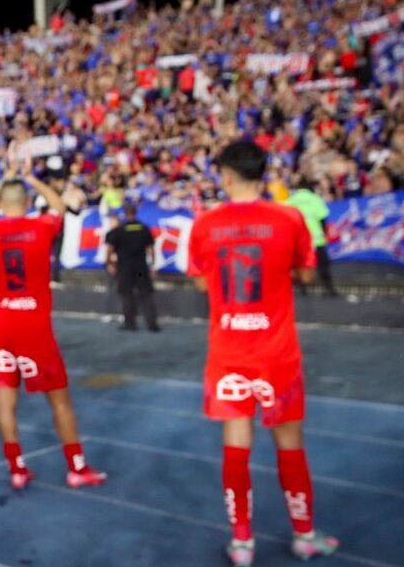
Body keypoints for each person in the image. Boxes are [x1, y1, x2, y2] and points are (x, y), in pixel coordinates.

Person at [187, 141, 339, 567]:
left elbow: (200, 282)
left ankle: (242, 543)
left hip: (229, 351)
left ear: (227, 176)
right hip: (277, 352)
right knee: (290, 444)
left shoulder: (204, 224)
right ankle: (304, 536)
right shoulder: (289, 218)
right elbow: (307, 273)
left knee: (236, 444)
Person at [0, 165, 106, 491]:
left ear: (3, 204)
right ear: (28, 200)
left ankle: (16, 468)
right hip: (35, 325)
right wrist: (33, 179)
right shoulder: (39, 227)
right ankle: (76, 466)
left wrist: (1, 182)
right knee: (59, 400)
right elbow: (59, 206)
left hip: (3, 324)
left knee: (6, 401)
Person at [105, 203, 160, 332]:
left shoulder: (118, 230)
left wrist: (109, 263)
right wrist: (152, 265)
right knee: (146, 294)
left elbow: (110, 249)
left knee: (126, 295)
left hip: (124, 268)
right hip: (141, 267)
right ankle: (152, 324)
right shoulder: (144, 228)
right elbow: (150, 249)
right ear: (135, 212)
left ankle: (130, 323)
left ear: (124, 213)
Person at [283, 178, 337, 297]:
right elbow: (323, 218)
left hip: (298, 239)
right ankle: (329, 289)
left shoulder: (291, 200)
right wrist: (324, 233)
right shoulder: (315, 199)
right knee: (323, 265)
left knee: (298, 265)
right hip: (316, 238)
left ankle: (302, 290)